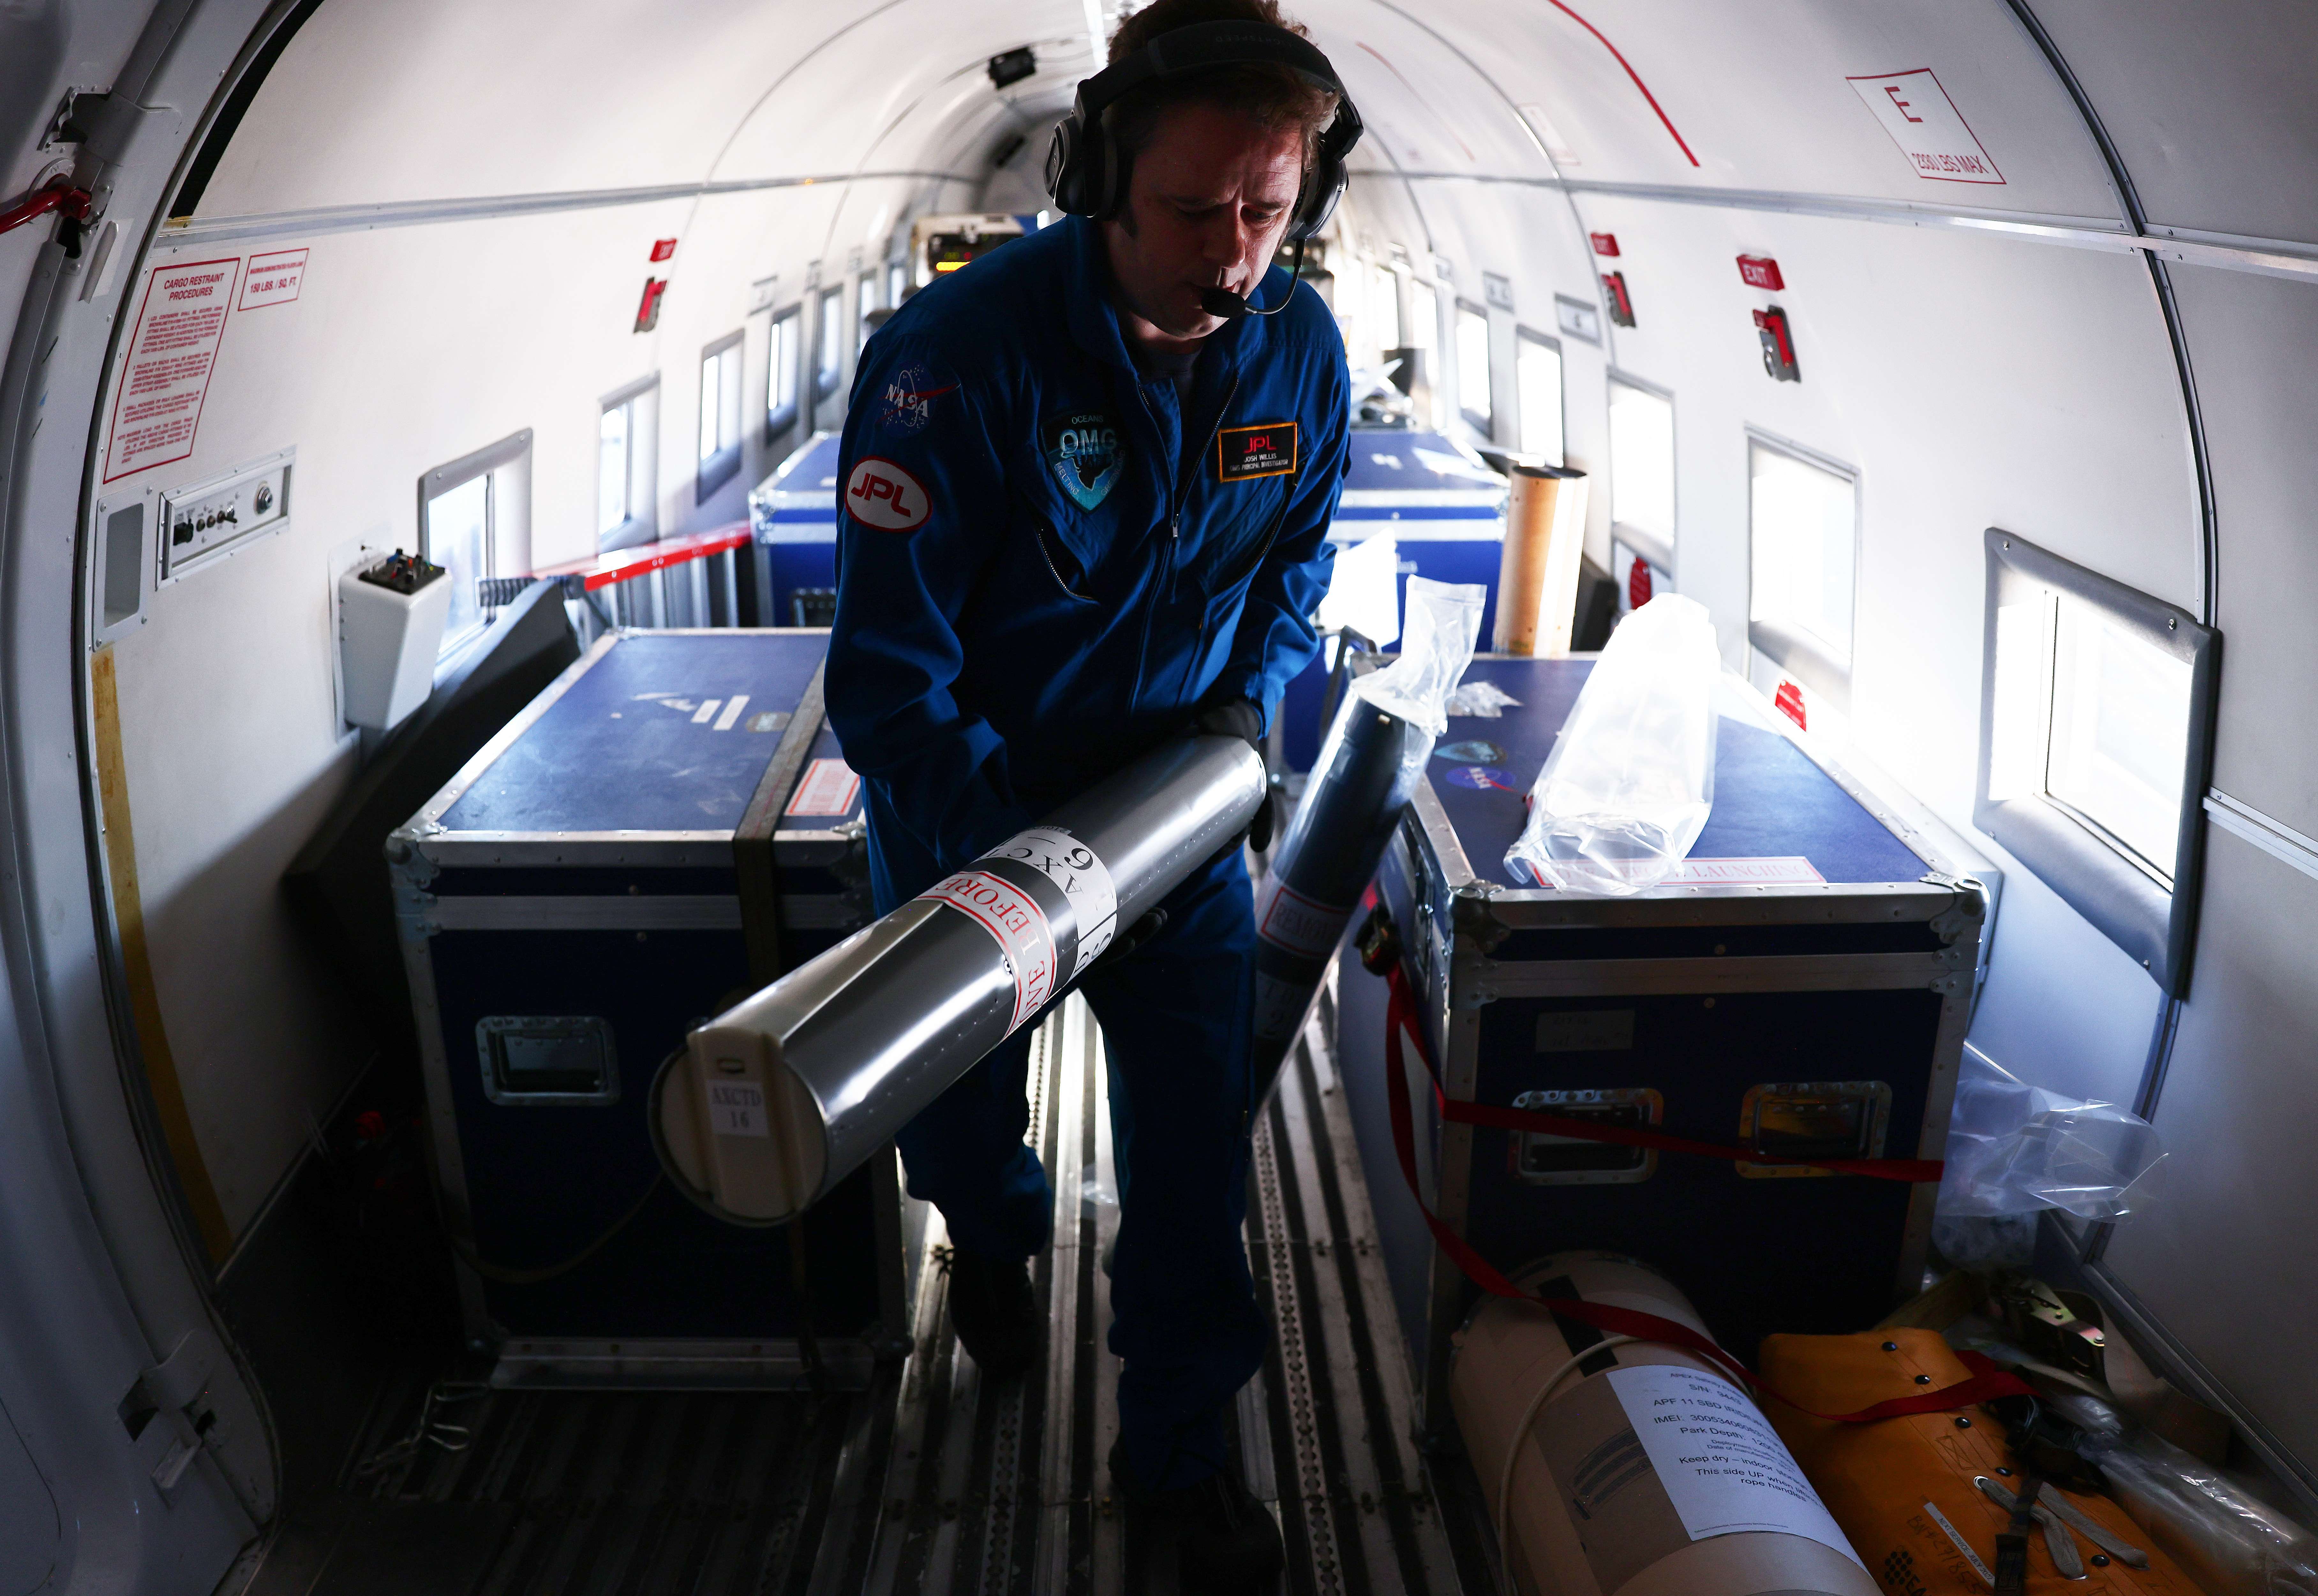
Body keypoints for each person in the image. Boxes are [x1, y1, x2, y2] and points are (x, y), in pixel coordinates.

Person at [824, 0, 1355, 1583]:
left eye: (1269, 210)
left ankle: (1179, 1461)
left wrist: (1247, 731)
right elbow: (888, 684)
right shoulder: (954, 363)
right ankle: (989, 1240)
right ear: (1096, 182)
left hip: (1178, 826)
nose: (1236, 253)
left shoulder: (1295, 348)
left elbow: (1293, 567)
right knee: (965, 1121)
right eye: (1195, 212)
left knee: (1192, 1169)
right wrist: (1032, 861)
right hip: (973, 828)